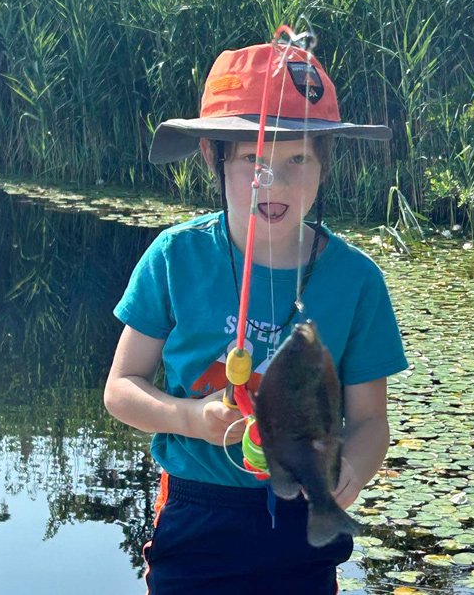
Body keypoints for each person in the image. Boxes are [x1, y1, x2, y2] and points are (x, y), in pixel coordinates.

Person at [104, 39, 407, 595]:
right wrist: (190, 419)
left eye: (298, 159)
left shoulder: (357, 281)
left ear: (324, 165)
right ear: (214, 159)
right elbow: (121, 389)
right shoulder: (176, 258)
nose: (276, 182)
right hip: (198, 514)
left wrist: (350, 476)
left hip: (302, 524)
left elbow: (369, 421)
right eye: (253, 160)